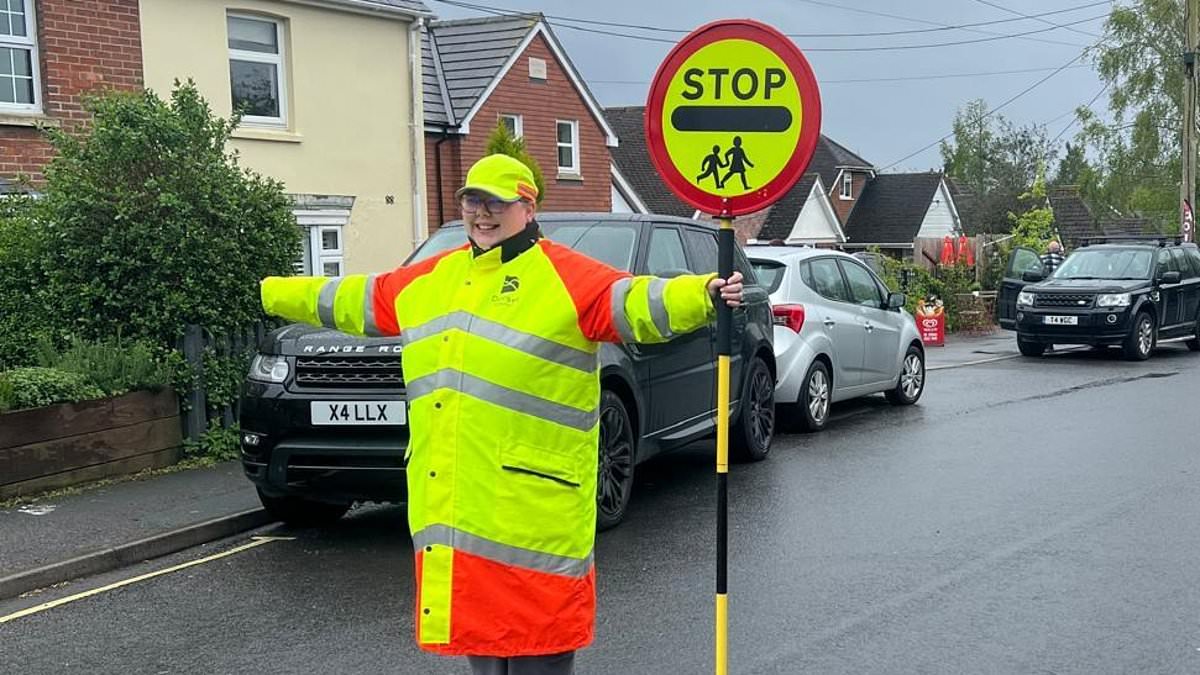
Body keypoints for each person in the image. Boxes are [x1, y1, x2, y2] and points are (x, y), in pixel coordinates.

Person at [259, 154, 744, 675]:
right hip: (459, 513)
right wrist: (269, 290)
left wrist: (701, 293)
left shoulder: (566, 275)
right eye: (473, 200)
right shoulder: (432, 280)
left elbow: (635, 301)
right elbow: (353, 297)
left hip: (534, 516)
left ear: (527, 207)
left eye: (497, 202)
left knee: (540, 652)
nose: (482, 213)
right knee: (484, 655)